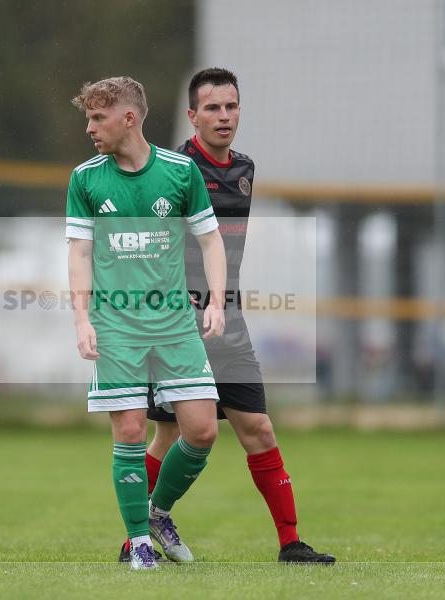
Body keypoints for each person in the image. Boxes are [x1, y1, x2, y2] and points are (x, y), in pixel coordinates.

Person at [119, 68, 335, 564]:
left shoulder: (245, 169)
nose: (224, 116)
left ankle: (290, 544)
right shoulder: (171, 169)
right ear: (192, 115)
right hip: (174, 323)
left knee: (258, 427)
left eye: (231, 106)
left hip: (227, 320)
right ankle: (137, 535)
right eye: (212, 108)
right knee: (170, 431)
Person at [67, 76, 227, 570]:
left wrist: (217, 301)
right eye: (89, 118)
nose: (91, 128)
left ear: (128, 119)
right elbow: (78, 251)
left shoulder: (180, 172)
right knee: (131, 430)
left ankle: (156, 512)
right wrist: (81, 318)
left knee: (201, 431)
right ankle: (139, 542)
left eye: (98, 118)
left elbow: (211, 240)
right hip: (115, 324)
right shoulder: (86, 179)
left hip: (175, 323)